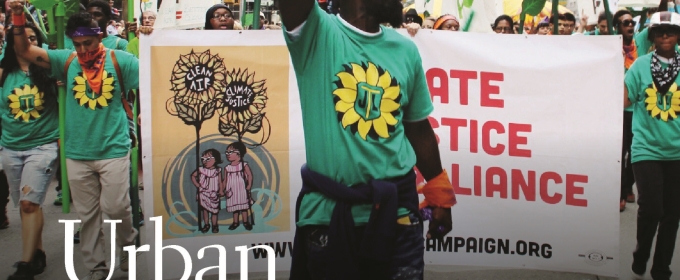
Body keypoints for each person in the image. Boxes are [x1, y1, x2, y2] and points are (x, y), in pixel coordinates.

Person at [280, 0, 456, 277]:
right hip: (330, 219)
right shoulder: (316, 33)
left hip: (399, 214)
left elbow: (417, 128)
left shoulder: (405, 49)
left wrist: (440, 192)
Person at [9, 1, 139, 279]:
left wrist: (148, 37)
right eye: (77, 44)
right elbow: (23, 50)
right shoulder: (65, 59)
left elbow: (151, 79)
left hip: (113, 148)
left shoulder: (121, 60)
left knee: (116, 207)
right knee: (88, 215)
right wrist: (18, 16)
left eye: (88, 43)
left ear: (100, 36)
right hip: (77, 151)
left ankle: (128, 245)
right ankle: (96, 267)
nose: (82, 50)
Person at [624, 11, 680, 280]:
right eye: (660, 31)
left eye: (670, 30)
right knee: (652, 209)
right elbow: (622, 101)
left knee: (672, 214)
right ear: (652, 35)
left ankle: (661, 268)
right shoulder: (640, 65)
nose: (665, 35)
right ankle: (641, 252)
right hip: (646, 149)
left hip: (678, 152)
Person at [1, 22, 58, 280]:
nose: (28, 42)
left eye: (33, 37)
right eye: (22, 38)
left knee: (27, 204)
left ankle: (25, 265)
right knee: (30, 205)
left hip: (43, 146)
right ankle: (38, 254)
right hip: (10, 148)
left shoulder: (51, 71)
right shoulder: (3, 73)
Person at [615, 9, 644, 212]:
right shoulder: (610, 47)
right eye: (625, 23)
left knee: (635, 151)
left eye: (632, 23)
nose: (630, 26)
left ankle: (628, 186)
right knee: (620, 151)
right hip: (618, 109)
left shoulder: (639, 44)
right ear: (618, 27)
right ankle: (621, 191)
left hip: (638, 110)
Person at [222, 142, 253, 231]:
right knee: (235, 208)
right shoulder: (227, 168)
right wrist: (222, 189)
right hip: (232, 190)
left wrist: (249, 185)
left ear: (239, 153)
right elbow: (225, 179)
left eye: (230, 152)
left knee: (243, 208)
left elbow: (249, 175)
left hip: (242, 189)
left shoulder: (244, 165)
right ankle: (235, 222)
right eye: (227, 152)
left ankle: (245, 221)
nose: (228, 154)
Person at [192, 149, 223, 234]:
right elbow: (193, 176)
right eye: (203, 159)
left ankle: (215, 225)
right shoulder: (201, 169)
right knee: (205, 211)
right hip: (203, 193)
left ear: (215, 159)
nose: (205, 161)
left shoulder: (218, 170)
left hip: (214, 194)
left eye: (208, 159)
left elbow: (220, 181)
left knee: (214, 211)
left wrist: (221, 190)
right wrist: (197, 185)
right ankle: (206, 224)